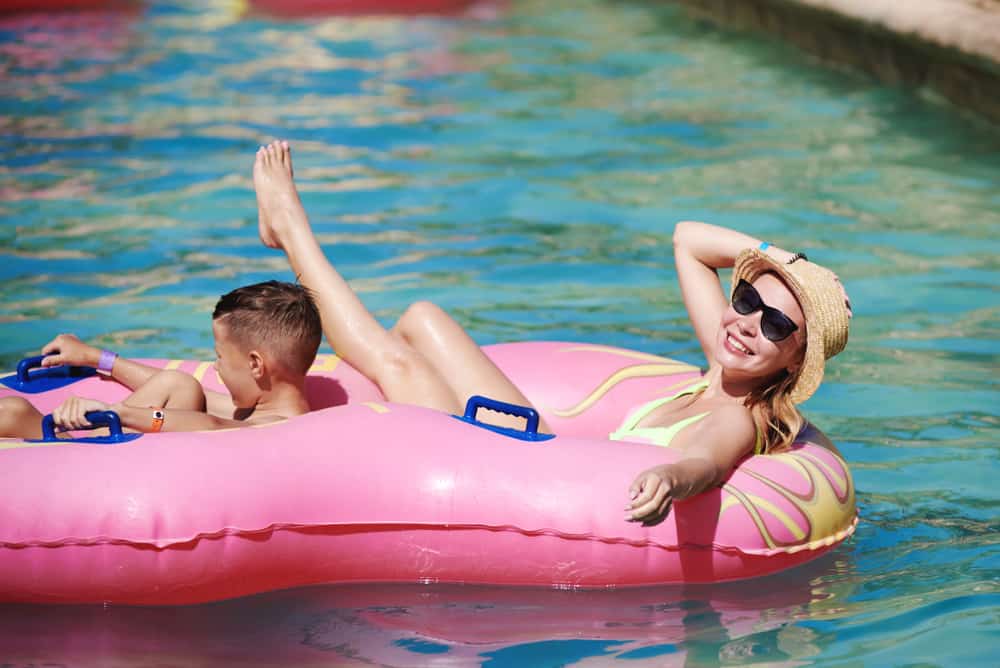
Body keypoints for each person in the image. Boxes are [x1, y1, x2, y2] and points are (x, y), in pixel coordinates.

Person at [252, 140, 852, 524]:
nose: (746, 324)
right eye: (745, 299)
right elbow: (687, 238)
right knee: (423, 319)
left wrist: (672, 478)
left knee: (399, 365)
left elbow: (707, 465)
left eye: (776, 324)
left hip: (503, 472)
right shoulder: (718, 368)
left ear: (792, 362)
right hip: (528, 443)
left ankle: (292, 230)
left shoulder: (737, 413)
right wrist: (780, 260)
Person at [0, 280, 321, 439]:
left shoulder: (274, 429)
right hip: (111, 451)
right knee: (179, 384)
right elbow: (196, 397)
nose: (215, 366)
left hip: (83, 463)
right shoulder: (260, 407)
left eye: (220, 357)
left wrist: (119, 412)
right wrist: (98, 358)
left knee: (13, 412)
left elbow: (210, 424)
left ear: (255, 365)